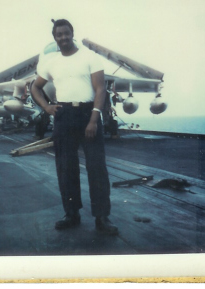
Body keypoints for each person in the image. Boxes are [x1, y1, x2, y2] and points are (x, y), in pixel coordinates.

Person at [31, 19, 118, 235]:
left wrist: (93, 119)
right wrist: (46, 107)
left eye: (66, 33)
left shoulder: (89, 57)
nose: (63, 38)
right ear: (55, 37)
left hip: (87, 113)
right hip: (64, 116)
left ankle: (102, 217)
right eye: (59, 34)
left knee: (96, 167)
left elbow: (100, 90)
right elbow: (35, 87)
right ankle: (71, 214)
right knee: (65, 168)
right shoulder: (51, 63)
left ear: (72, 33)